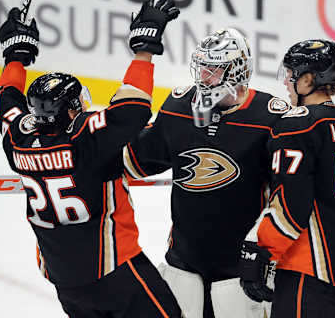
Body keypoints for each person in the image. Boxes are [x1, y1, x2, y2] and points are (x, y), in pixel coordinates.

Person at [0, 0, 182, 317]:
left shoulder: (18, 138)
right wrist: (144, 49)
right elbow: (132, 110)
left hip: (64, 280)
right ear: (70, 111)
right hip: (114, 271)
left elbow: (4, 101)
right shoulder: (87, 140)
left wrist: (15, 56)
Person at [123, 28, 290, 318]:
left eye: (214, 69)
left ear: (237, 71)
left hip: (242, 267)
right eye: (202, 68)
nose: (204, 77)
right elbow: (133, 161)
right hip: (184, 261)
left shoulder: (272, 118)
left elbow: (291, 195)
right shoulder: (178, 108)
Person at [239, 39, 335, 318]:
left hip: (309, 274)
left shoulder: (296, 125)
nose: (286, 83)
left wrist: (261, 251)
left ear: (308, 80)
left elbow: (290, 206)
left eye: (291, 76)